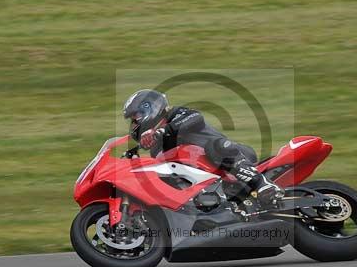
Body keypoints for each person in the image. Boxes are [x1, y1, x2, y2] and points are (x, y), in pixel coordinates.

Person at [122, 89, 284, 207]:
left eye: (135, 117)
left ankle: (263, 184)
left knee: (216, 147)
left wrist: (163, 131)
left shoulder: (178, 113)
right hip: (209, 182)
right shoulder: (156, 147)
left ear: (150, 108)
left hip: (232, 155)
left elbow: (195, 118)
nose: (134, 124)